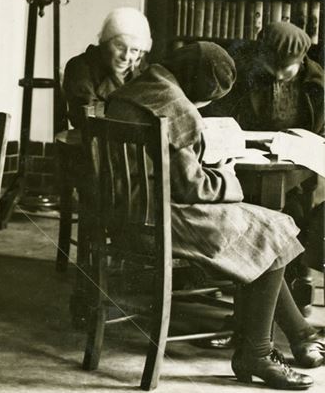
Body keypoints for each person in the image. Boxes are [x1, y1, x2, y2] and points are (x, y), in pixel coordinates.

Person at [106, 42, 324, 389]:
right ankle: (258, 353)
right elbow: (193, 188)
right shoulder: (179, 110)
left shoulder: (129, 91)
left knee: (268, 232)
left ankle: (294, 336)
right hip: (164, 221)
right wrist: (226, 175)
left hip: (126, 216)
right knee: (276, 228)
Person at [204, 21, 325, 313]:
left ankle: (278, 301)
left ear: (302, 63)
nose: (280, 77)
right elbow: (220, 116)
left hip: (298, 165)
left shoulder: (316, 84)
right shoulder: (243, 72)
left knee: (293, 217)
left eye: (288, 72)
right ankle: (255, 307)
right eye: (272, 71)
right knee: (257, 217)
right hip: (248, 162)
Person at [62, 6, 152, 131]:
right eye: (120, 46)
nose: (126, 57)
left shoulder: (142, 71)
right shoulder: (80, 67)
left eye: (134, 50)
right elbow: (87, 119)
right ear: (104, 42)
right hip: (95, 145)